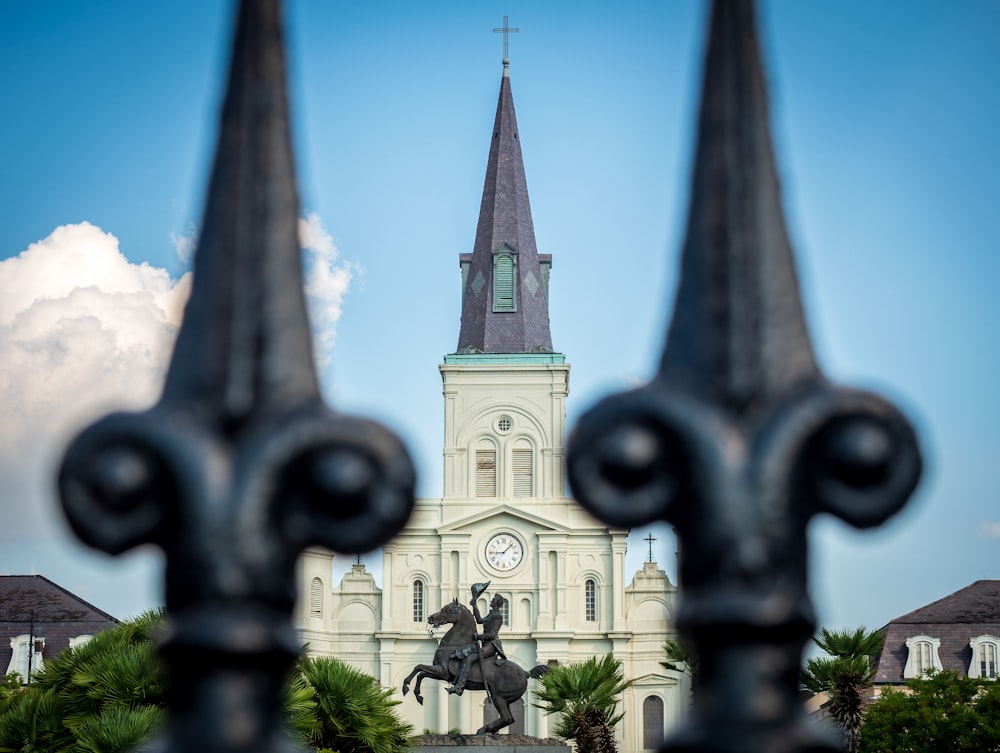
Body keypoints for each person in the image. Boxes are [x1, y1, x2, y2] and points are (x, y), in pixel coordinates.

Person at [447, 591, 507, 695]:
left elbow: (492, 635)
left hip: (492, 645)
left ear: (497, 602)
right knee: (466, 652)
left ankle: (459, 687)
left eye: (493, 600)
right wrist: (474, 605)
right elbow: (479, 620)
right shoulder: (491, 614)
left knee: (470, 658)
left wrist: (478, 636)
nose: (491, 601)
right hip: (485, 644)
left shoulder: (497, 616)